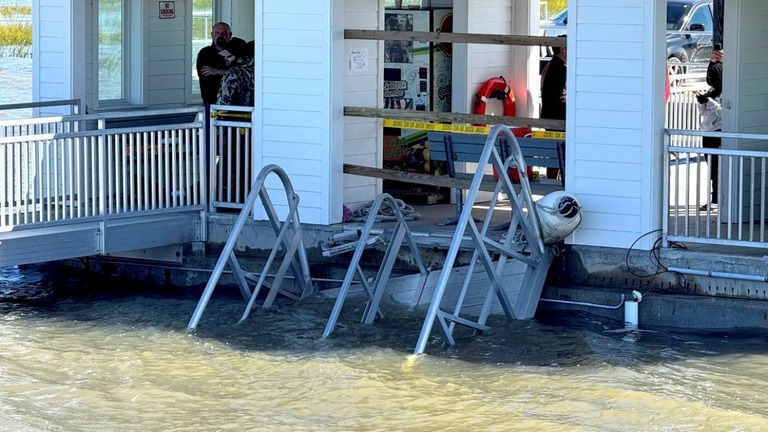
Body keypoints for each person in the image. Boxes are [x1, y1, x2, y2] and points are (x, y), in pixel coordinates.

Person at [696, 46, 723, 211]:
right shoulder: (712, 90)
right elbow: (704, 113)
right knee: (711, 166)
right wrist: (702, 102)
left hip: (719, 131)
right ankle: (714, 199)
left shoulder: (728, 91)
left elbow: (724, 111)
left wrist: (711, 102)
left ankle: (720, 199)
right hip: (707, 131)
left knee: (720, 167)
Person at [540, 37, 567, 182]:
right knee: (562, 156)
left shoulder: (550, 65)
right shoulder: (561, 68)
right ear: (563, 49)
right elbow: (559, 96)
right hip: (558, 119)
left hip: (548, 117)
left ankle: (552, 184)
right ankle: (560, 186)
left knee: (554, 156)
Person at [216, 38, 255, 106]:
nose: (225, 58)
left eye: (229, 56)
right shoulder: (258, 70)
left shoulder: (233, 74)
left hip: (234, 114)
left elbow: (224, 103)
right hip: (256, 115)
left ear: (238, 56)